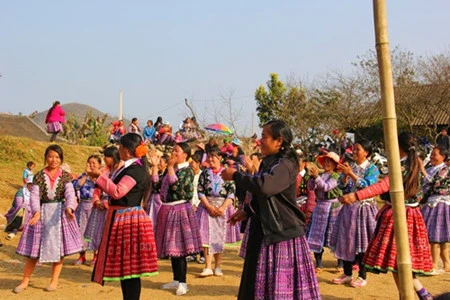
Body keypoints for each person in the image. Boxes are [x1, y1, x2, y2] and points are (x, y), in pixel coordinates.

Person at [222, 119, 320, 300]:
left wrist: (236, 175)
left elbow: (266, 187)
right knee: (255, 286)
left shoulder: (286, 163)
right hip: (265, 229)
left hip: (282, 233)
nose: (260, 141)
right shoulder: (271, 161)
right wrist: (248, 211)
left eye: (264, 137)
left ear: (279, 141)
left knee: (281, 290)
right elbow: (265, 196)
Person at [340, 132, 434, 300]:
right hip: (412, 215)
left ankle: (414, 296)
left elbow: (383, 186)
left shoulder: (402, 167)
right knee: (401, 263)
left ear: (397, 147)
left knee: (400, 263)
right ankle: (421, 295)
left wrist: (356, 196)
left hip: (399, 216)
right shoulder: (416, 164)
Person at [91, 133, 158, 300]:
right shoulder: (129, 167)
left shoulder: (134, 169)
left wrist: (98, 177)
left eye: (120, 146)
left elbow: (118, 191)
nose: (118, 149)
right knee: (126, 269)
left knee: (130, 269)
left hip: (128, 220)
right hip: (124, 217)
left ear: (127, 150)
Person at [14, 144, 83, 293]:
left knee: (59, 250)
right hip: (41, 214)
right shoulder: (38, 176)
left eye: (57, 157)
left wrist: (70, 207)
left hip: (59, 215)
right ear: (46, 157)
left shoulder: (65, 176)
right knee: (33, 251)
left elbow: (70, 193)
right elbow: (34, 196)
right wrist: (36, 212)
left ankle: (54, 281)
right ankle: (25, 281)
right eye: (51, 156)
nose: (54, 160)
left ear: (61, 159)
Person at [330, 140, 380, 287]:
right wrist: (345, 176)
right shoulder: (350, 166)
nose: (354, 152)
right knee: (346, 240)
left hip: (364, 209)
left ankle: (362, 276)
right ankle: (347, 273)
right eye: (354, 149)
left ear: (366, 153)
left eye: (358, 149)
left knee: (362, 242)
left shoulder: (373, 169)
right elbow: (341, 187)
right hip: (349, 209)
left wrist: (350, 173)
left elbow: (367, 185)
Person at [156, 142, 202, 296]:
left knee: (180, 247)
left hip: (180, 209)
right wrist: (156, 167)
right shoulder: (172, 169)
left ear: (185, 155)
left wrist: (169, 168)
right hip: (167, 209)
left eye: (177, 151)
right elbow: (157, 187)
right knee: (172, 247)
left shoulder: (186, 171)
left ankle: (183, 282)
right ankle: (176, 279)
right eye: (173, 150)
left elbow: (178, 189)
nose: (174, 153)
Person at [196, 147, 236, 277]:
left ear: (220, 158)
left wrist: (222, 208)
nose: (210, 159)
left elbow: (231, 193)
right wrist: (208, 206)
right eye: (209, 156)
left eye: (213, 156)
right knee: (206, 237)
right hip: (207, 207)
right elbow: (200, 191)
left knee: (220, 236)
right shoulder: (204, 173)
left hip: (222, 208)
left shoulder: (228, 173)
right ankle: (207, 266)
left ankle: (218, 266)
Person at [84, 146, 123, 267]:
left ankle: (110, 258)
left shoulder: (120, 171)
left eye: (107, 156)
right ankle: (97, 256)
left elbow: (117, 190)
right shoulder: (105, 171)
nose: (105, 159)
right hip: (99, 206)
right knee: (97, 233)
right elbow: (97, 188)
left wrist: (106, 204)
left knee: (111, 234)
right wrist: (96, 201)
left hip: (111, 206)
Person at [306, 151, 343, 274]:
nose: (326, 163)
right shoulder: (321, 175)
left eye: (329, 161)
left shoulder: (336, 177)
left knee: (335, 234)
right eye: (325, 161)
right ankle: (319, 263)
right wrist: (312, 178)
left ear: (334, 164)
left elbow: (326, 187)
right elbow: (311, 187)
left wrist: (316, 177)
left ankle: (340, 263)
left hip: (333, 208)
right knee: (317, 234)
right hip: (320, 207)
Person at [421, 146, 450, 273]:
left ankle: (433, 264)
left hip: (441, 204)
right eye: (431, 154)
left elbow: (435, 182)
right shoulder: (431, 169)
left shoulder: (445, 170)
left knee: (436, 237)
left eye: (435, 155)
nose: (432, 157)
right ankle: (447, 264)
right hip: (431, 203)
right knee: (439, 237)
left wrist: (422, 170)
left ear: (443, 157)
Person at [72, 154, 102, 266]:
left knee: (95, 231)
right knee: (81, 231)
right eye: (90, 163)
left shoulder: (101, 177)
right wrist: (86, 174)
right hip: (82, 207)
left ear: (99, 165)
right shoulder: (83, 177)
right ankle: (82, 256)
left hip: (95, 207)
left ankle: (96, 257)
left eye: (94, 163)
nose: (92, 165)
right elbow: (76, 186)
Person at [146, 152, 169, 225]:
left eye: (161, 162)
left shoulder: (167, 175)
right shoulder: (157, 173)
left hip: (160, 201)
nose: (159, 163)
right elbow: (151, 186)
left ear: (166, 164)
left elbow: (156, 183)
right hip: (152, 200)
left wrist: (154, 166)